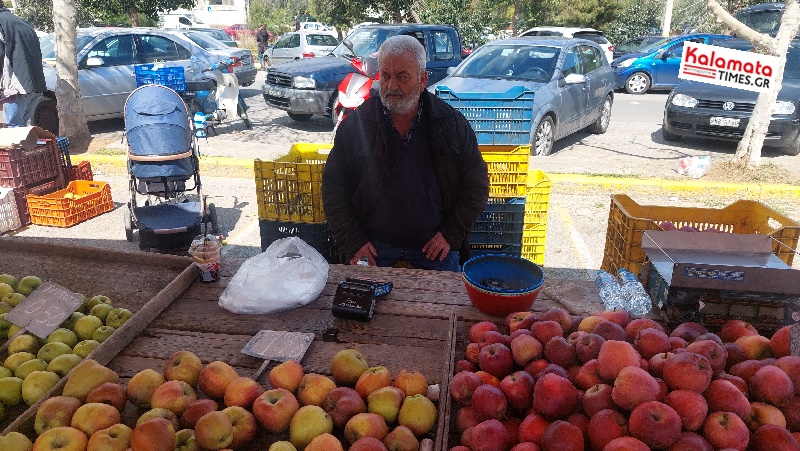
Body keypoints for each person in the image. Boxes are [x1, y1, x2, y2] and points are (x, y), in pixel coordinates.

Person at [322, 35, 489, 272]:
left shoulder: (450, 125)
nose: (391, 87)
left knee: (446, 307)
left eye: (402, 76)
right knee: (360, 307)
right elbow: (333, 189)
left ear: (422, 80)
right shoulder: (357, 125)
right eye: (386, 75)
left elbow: (477, 185)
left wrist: (450, 234)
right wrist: (354, 241)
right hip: (373, 247)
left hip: (434, 248)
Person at [0, 3, 45, 127]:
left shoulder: (2, 23)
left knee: (14, 129)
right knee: (22, 130)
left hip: (17, 87)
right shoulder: (21, 22)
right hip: (35, 85)